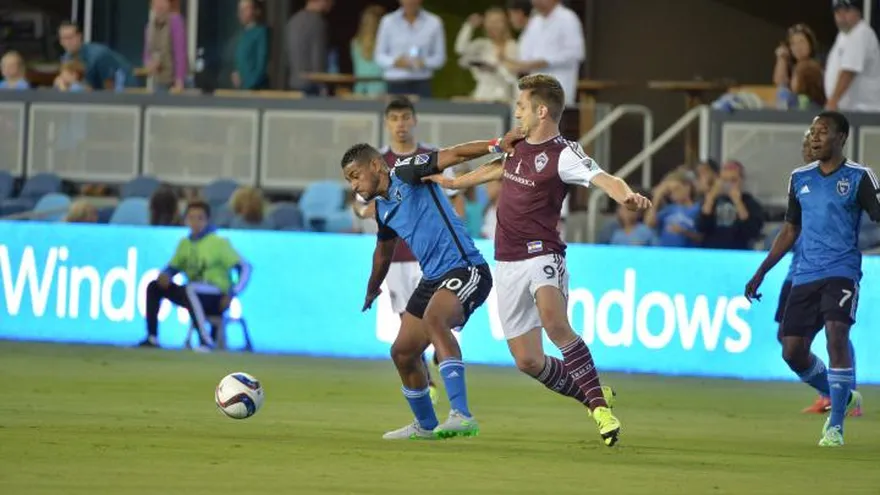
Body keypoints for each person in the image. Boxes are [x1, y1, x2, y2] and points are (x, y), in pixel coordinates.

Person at [427, 74, 651, 447]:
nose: (517, 112)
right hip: (506, 261)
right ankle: (593, 394)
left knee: (554, 322)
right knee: (528, 361)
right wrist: (452, 183)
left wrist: (627, 196)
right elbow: (496, 168)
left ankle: (600, 411)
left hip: (542, 252)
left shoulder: (565, 153)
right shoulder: (515, 146)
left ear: (541, 111)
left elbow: (605, 178)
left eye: (521, 106)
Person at [340, 132, 520, 440]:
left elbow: (454, 154)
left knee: (435, 318)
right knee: (402, 352)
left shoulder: (407, 172)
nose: (354, 186)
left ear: (376, 165)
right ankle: (425, 424)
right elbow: (383, 253)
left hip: (466, 268)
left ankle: (462, 415)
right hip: (433, 278)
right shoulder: (383, 209)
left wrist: (496, 144)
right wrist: (372, 288)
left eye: (356, 176)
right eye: (349, 181)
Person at [745, 111, 880, 447]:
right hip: (806, 274)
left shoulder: (859, 177)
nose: (815, 137)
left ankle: (835, 427)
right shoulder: (799, 178)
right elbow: (791, 229)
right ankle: (841, 395)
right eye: (813, 131)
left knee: (837, 335)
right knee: (792, 351)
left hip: (842, 271)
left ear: (841, 138)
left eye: (823, 131)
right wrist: (762, 270)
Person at [352, 96, 464, 404]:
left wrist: (456, 229)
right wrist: (366, 212)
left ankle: (440, 354)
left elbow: (456, 196)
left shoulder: (429, 156)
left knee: (437, 315)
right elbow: (360, 205)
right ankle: (429, 377)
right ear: (386, 123)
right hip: (399, 255)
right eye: (394, 119)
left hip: (434, 254)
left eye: (405, 117)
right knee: (408, 318)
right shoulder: (377, 161)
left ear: (414, 120)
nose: (400, 124)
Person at [140, 201, 252, 350]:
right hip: (192, 295)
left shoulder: (218, 243)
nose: (195, 222)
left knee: (190, 288)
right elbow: (174, 267)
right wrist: (165, 275)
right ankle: (152, 337)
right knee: (154, 286)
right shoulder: (185, 244)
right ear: (186, 220)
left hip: (216, 296)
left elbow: (245, 267)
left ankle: (205, 341)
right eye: (191, 218)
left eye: (200, 218)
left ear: (207, 220)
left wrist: (232, 293)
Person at [58, 22, 133, 90]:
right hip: (95, 91)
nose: (67, 42)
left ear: (79, 36)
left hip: (123, 87)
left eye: (70, 37)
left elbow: (110, 84)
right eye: (64, 38)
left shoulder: (98, 54)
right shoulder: (66, 57)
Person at [232, 0, 270, 90]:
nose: (241, 13)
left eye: (246, 9)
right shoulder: (241, 34)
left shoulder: (261, 32)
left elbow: (261, 64)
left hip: (255, 89)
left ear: (255, 11)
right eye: (240, 10)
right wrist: (236, 73)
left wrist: (250, 83)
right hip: (241, 89)